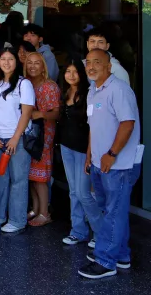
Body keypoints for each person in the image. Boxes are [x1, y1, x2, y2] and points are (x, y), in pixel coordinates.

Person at [77, 48, 143, 279]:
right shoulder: (93, 91)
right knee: (110, 211)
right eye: (89, 63)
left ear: (109, 66)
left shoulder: (119, 89)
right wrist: (89, 155)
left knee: (113, 212)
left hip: (119, 165)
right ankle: (121, 255)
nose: (92, 66)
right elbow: (94, 127)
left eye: (98, 62)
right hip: (99, 163)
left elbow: (127, 124)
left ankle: (106, 261)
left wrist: (112, 153)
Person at [0, 46, 34, 233]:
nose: (6, 62)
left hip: (17, 140)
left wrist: (15, 138)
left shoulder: (24, 84)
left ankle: (17, 220)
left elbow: (26, 113)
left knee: (18, 180)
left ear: (17, 62)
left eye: (10, 59)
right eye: (3, 59)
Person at [57, 58, 99, 246]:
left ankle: (100, 233)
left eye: (75, 71)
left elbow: (93, 128)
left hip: (83, 149)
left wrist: (90, 154)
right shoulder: (65, 92)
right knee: (73, 191)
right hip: (66, 146)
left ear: (81, 73)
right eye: (68, 71)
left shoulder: (89, 94)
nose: (71, 75)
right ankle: (78, 230)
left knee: (84, 193)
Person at [26, 51, 61, 227]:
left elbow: (57, 113)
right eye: (29, 63)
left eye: (37, 63)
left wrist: (40, 113)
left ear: (43, 67)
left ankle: (45, 213)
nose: (32, 66)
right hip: (30, 135)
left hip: (44, 135)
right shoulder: (25, 84)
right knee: (31, 175)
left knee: (41, 177)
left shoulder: (50, 86)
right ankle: (36, 208)